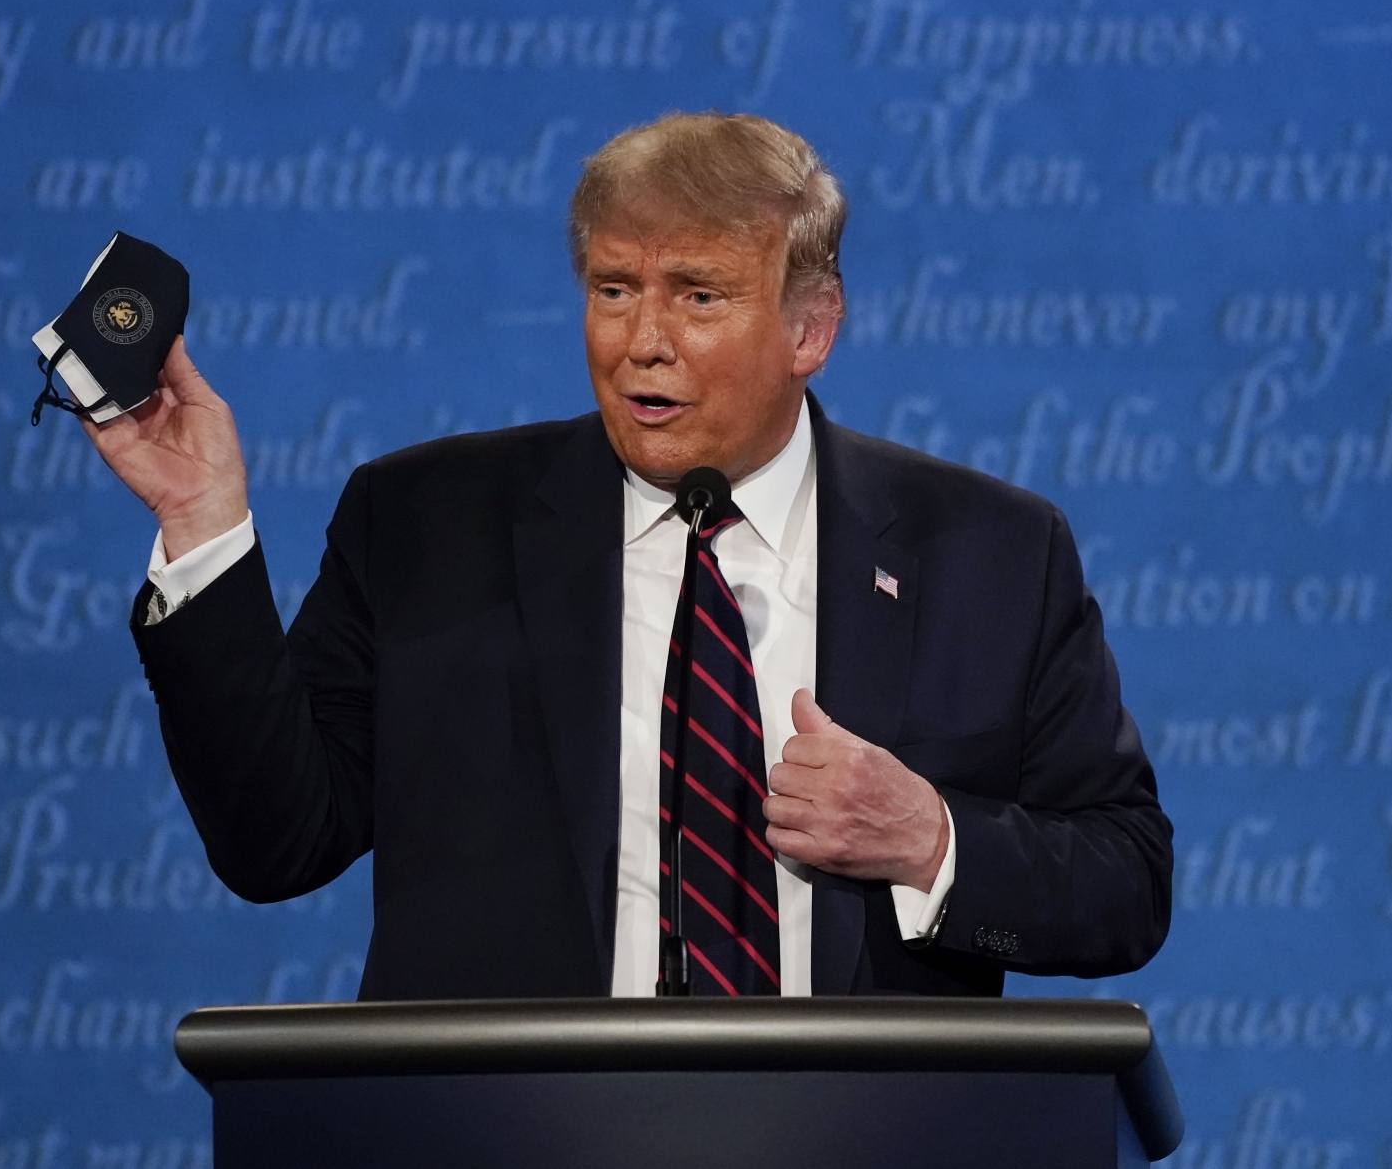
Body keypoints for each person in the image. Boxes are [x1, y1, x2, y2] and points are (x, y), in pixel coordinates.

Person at [88, 112, 1170, 1000]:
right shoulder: (423, 523)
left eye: (697, 294)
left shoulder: (988, 553)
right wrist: (202, 525)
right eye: (614, 289)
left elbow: (1124, 881)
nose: (640, 339)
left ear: (809, 327)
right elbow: (278, 839)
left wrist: (927, 836)